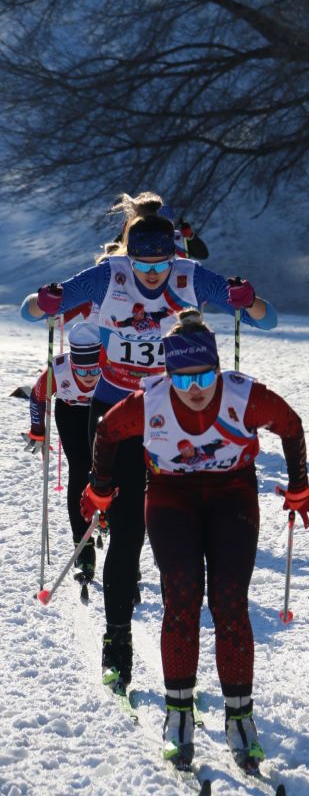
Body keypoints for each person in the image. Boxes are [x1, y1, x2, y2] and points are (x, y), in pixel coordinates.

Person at [20, 193, 277, 695]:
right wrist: (46, 300)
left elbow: (268, 318)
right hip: (116, 411)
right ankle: (117, 641)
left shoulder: (190, 276)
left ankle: (190, 657)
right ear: (129, 256)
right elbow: (32, 310)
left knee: (176, 533)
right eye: (144, 264)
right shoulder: (108, 276)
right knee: (126, 531)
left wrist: (248, 299)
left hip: (177, 416)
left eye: (161, 263)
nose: (154, 274)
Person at [80, 309, 309, 770]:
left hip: (232, 494)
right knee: (182, 597)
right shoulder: (148, 402)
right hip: (171, 496)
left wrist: (299, 486)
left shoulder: (244, 395)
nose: (194, 389)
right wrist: (101, 486)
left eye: (205, 375)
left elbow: (290, 425)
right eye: (182, 378)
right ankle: (178, 716)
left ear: (218, 367)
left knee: (230, 602)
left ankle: (240, 718)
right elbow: (107, 431)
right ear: (167, 373)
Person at [22, 322, 103, 585]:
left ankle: (118, 539)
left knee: (110, 468)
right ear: (72, 361)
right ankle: (83, 546)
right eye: (82, 369)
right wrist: (38, 428)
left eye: (95, 369)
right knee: (80, 470)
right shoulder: (58, 370)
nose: (89, 375)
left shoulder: (111, 363)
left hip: (103, 411)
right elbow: (37, 396)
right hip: (70, 412)